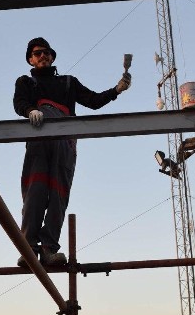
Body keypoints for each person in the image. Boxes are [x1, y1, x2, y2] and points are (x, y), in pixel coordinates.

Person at [13, 37, 131, 266]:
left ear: (52, 57)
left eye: (46, 52)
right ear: (30, 59)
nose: (43, 56)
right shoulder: (26, 82)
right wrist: (30, 110)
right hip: (39, 136)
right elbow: (19, 102)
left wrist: (117, 89)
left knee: (58, 194)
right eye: (37, 53)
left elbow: (93, 101)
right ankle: (29, 249)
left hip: (65, 139)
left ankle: (48, 249)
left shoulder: (68, 82)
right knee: (35, 191)